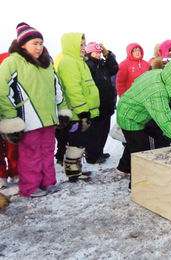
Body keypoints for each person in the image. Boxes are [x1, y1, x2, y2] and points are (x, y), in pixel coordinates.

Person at [0, 23, 71, 197]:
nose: (39, 47)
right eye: (34, 43)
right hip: (27, 118)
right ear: (22, 44)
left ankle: (48, 182)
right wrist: (10, 120)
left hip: (47, 118)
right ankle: (30, 187)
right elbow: (2, 91)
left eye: (41, 43)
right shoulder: (13, 62)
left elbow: (57, 88)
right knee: (30, 154)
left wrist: (62, 110)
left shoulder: (47, 63)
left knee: (47, 151)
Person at [116, 56, 171, 188]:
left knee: (134, 142)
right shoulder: (157, 92)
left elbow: (136, 83)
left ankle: (123, 167)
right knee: (141, 150)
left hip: (131, 109)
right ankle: (139, 185)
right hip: (130, 117)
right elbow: (166, 122)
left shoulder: (158, 73)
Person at [57, 32, 100, 182]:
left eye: (84, 44)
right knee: (76, 142)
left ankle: (76, 170)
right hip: (78, 114)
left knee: (80, 142)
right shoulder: (68, 62)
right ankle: (72, 172)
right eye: (80, 45)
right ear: (71, 45)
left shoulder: (79, 61)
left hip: (83, 112)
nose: (83, 47)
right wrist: (82, 112)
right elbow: (73, 90)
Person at [84, 42, 119, 164]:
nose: (98, 55)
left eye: (99, 53)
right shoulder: (88, 66)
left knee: (104, 131)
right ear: (89, 53)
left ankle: (99, 152)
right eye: (96, 52)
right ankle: (92, 155)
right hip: (96, 105)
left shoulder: (102, 65)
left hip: (106, 104)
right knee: (95, 132)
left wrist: (108, 55)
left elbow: (114, 68)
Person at [0, 52, 19, 189]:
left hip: (9, 115)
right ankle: (1, 176)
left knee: (13, 147)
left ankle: (15, 172)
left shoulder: (8, 59)